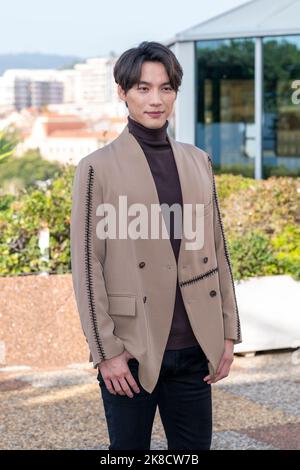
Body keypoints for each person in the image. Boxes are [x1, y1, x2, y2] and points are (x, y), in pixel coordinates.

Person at [70, 41, 242, 451]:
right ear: (122, 92)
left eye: (166, 88)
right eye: (143, 88)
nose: (155, 99)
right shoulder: (97, 167)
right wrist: (106, 352)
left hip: (195, 347)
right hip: (131, 351)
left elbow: (217, 250)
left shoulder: (198, 160)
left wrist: (227, 334)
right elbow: (87, 265)